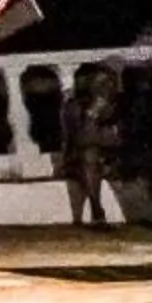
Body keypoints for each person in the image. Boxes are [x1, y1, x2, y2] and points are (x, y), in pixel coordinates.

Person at [61, 64, 121, 227]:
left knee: (93, 157)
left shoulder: (121, 103)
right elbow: (81, 139)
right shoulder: (75, 106)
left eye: (109, 82)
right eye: (101, 83)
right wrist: (92, 114)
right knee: (89, 156)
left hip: (119, 151)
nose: (106, 87)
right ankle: (96, 209)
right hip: (85, 155)